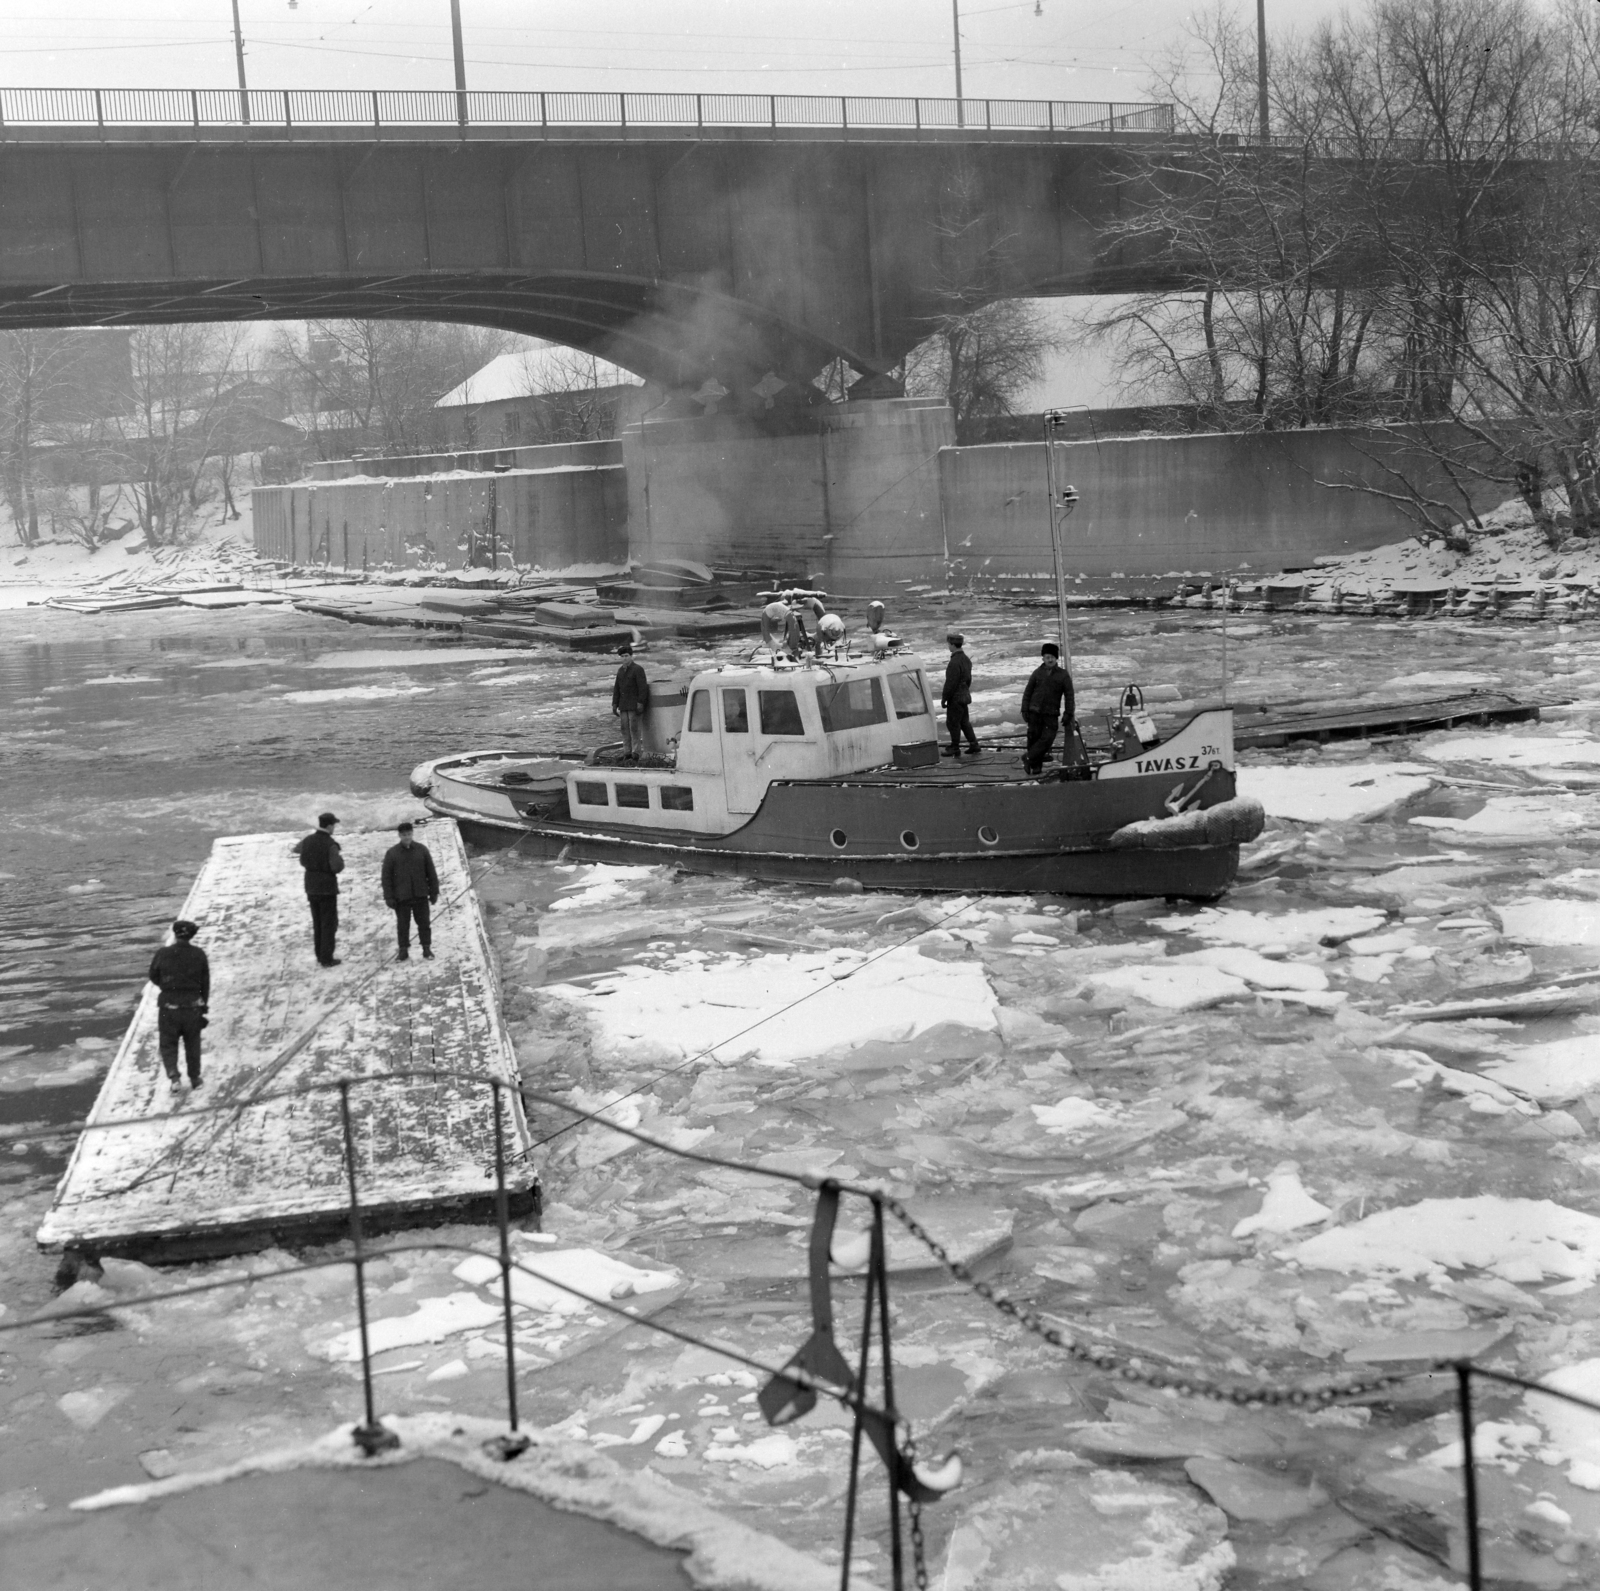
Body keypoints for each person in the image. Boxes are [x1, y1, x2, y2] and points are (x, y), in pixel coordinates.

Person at [148, 919, 209, 1089]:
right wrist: (203, 1006)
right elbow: (205, 984)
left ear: (174, 935)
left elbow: (153, 975)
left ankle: (174, 1078)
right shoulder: (199, 954)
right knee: (193, 1044)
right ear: (191, 935)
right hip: (192, 1007)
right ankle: (195, 1079)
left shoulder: (162, 953)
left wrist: (167, 987)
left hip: (169, 1007)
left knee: (168, 1043)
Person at [382, 821, 440, 962]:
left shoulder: (422, 850)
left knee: (424, 924)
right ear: (399, 835)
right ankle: (403, 951)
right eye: (404, 835)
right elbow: (386, 877)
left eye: (409, 834)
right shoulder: (392, 854)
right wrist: (389, 896)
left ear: (412, 834)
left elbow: (431, 873)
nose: (407, 837)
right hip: (402, 898)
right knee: (403, 925)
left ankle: (426, 948)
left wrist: (434, 891)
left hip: (420, 894)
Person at [294, 811, 344, 967]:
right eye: (333, 825)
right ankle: (326, 958)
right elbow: (337, 867)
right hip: (327, 888)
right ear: (329, 826)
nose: (334, 828)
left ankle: (319, 954)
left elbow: (296, 849)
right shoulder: (330, 844)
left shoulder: (308, 840)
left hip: (310, 886)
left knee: (317, 922)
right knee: (329, 923)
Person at [1021, 642, 1076, 776]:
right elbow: (1028, 692)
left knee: (1048, 738)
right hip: (1035, 711)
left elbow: (1069, 695)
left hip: (1051, 713)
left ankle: (1028, 757)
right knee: (1034, 738)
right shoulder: (1037, 673)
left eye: (1052, 657)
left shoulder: (1063, 675)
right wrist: (1024, 709)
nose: (1050, 660)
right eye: (1047, 657)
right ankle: (1035, 767)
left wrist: (1068, 712)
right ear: (1043, 658)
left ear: (1056, 658)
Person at [940, 632, 981, 758]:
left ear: (952, 645)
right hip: (964, 695)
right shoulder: (966, 660)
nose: (948, 646)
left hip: (956, 697)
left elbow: (950, 683)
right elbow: (968, 679)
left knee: (953, 722)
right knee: (964, 722)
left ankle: (955, 747)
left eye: (949, 644)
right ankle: (974, 744)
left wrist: (945, 698)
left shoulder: (954, 662)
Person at [611, 643, 651, 761]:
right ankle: (626, 752)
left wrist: (640, 702)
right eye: (622, 656)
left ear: (631, 656)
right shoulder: (620, 671)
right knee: (624, 729)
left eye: (627, 656)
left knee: (634, 729)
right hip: (623, 705)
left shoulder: (638, 669)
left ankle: (636, 753)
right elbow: (617, 688)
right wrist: (614, 704)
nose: (625, 658)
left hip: (634, 705)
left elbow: (642, 688)